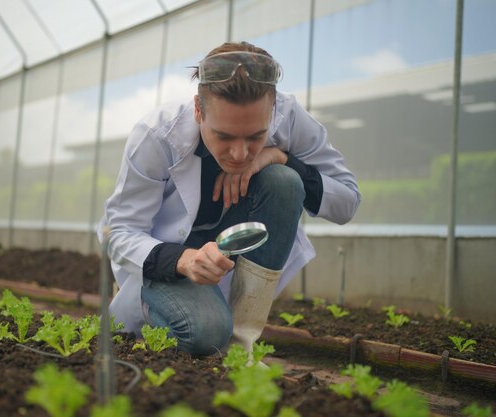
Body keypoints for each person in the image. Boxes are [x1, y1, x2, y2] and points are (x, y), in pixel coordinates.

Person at [98, 41, 360, 356]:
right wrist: (183, 260)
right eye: (223, 136)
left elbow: (346, 201)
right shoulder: (157, 136)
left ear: (273, 110)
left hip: (224, 254)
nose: (239, 154)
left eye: (255, 137)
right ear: (198, 109)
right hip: (165, 260)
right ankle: (149, 309)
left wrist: (278, 156)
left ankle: (241, 348)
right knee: (205, 333)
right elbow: (118, 232)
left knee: (284, 181)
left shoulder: (289, 117)